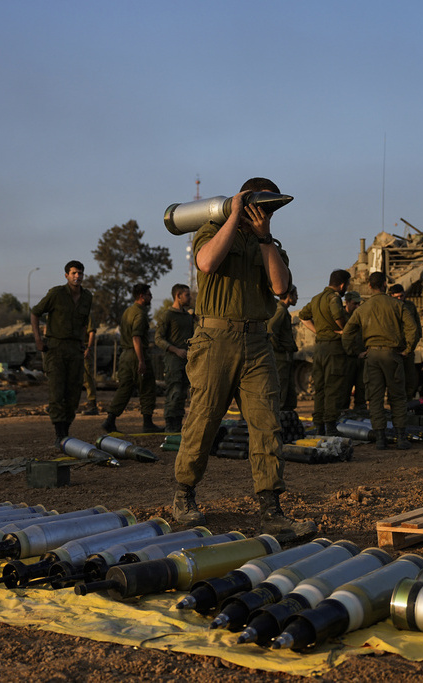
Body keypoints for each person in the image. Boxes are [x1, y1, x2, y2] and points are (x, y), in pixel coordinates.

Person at [171, 177, 316, 542]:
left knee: (267, 425)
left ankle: (271, 510)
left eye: (268, 209)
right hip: (215, 339)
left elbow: (281, 288)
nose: (263, 213)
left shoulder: (270, 245)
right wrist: (234, 217)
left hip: (257, 341)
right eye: (258, 206)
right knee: (204, 420)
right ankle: (184, 494)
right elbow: (205, 263)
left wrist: (264, 237)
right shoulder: (212, 230)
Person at [342, 271, 417, 450]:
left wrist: (355, 352)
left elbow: (347, 333)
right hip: (393, 355)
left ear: (369, 286)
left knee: (375, 398)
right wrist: (408, 349)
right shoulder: (398, 305)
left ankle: (381, 438)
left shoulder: (362, 309)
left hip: (372, 356)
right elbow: (412, 328)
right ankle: (400, 437)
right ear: (385, 284)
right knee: (397, 396)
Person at [30, 260, 95, 447]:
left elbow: (84, 322)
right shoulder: (56, 294)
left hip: (75, 349)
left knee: (74, 392)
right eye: (74, 273)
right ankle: (60, 433)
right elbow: (35, 313)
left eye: (80, 273)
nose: (77, 276)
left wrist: (83, 344)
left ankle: (66, 429)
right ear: (66, 275)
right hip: (56, 348)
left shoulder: (87, 297)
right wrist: (38, 339)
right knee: (57, 391)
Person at [101, 283, 161, 434]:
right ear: (142, 296)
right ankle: (147, 423)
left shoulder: (128, 311)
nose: (151, 297)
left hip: (126, 355)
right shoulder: (140, 314)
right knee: (147, 387)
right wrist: (141, 360)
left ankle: (110, 420)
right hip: (136, 354)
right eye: (148, 294)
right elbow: (136, 337)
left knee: (125, 388)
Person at [298, 269, 350, 435]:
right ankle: (331, 427)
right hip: (333, 348)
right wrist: (344, 330)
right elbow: (337, 316)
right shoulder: (333, 298)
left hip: (319, 348)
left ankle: (319, 425)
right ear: (342, 285)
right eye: (346, 285)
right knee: (333, 387)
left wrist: (318, 332)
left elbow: (303, 317)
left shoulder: (316, 298)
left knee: (319, 388)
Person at [155, 283, 195, 432]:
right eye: (187, 295)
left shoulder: (188, 316)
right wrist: (176, 350)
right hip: (173, 361)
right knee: (174, 392)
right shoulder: (168, 315)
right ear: (178, 296)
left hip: (187, 361)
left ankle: (177, 425)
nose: (190, 297)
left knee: (182, 393)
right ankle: (170, 426)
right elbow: (158, 338)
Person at [267, 285, 299, 412]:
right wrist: (279, 348)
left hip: (285, 356)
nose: (297, 298)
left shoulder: (282, 310)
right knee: (280, 388)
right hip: (280, 357)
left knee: (288, 392)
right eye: (296, 295)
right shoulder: (280, 310)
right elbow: (271, 330)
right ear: (289, 295)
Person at [388, 284, 423, 399]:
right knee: (394, 378)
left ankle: (408, 400)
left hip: (408, 347)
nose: (400, 299)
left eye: (401, 296)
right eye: (396, 297)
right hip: (393, 347)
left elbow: (416, 326)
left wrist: (412, 344)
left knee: (410, 377)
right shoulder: (388, 308)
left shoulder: (410, 306)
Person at [340, 290, 367, 412]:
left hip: (361, 358)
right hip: (347, 359)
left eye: (358, 304)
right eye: (354, 303)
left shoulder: (360, 317)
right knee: (344, 392)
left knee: (362, 392)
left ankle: (360, 416)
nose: (357, 306)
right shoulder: (340, 317)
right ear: (347, 302)